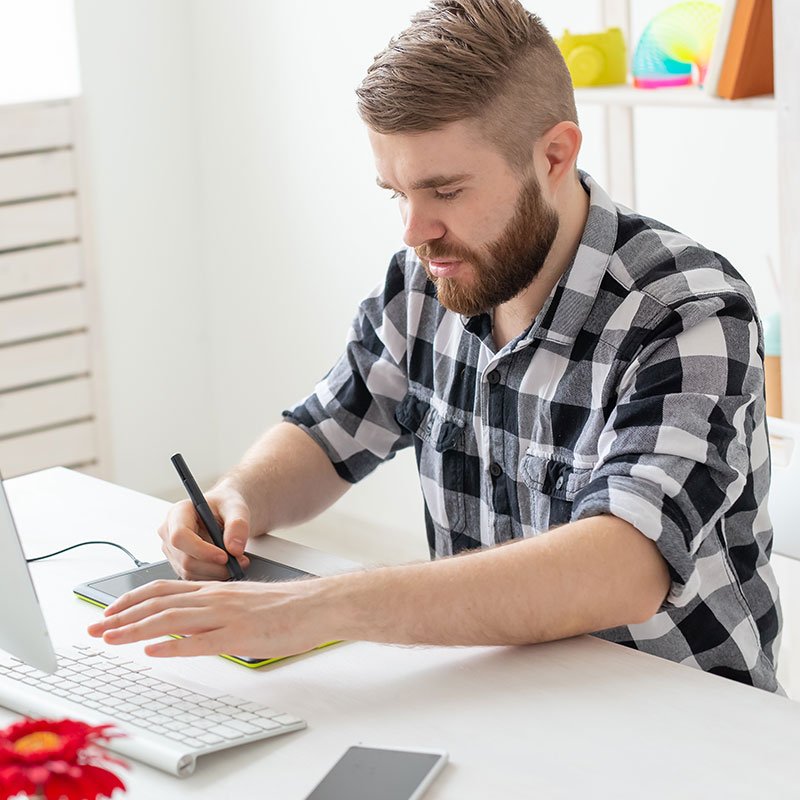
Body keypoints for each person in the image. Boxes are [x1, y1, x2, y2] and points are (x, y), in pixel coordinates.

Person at [89, 0, 782, 693]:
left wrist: (314, 609)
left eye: (444, 191)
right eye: (395, 193)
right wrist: (236, 497)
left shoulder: (687, 312)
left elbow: (624, 567)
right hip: (494, 693)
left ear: (554, 155)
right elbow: (326, 433)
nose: (414, 230)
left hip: (679, 716)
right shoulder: (425, 282)